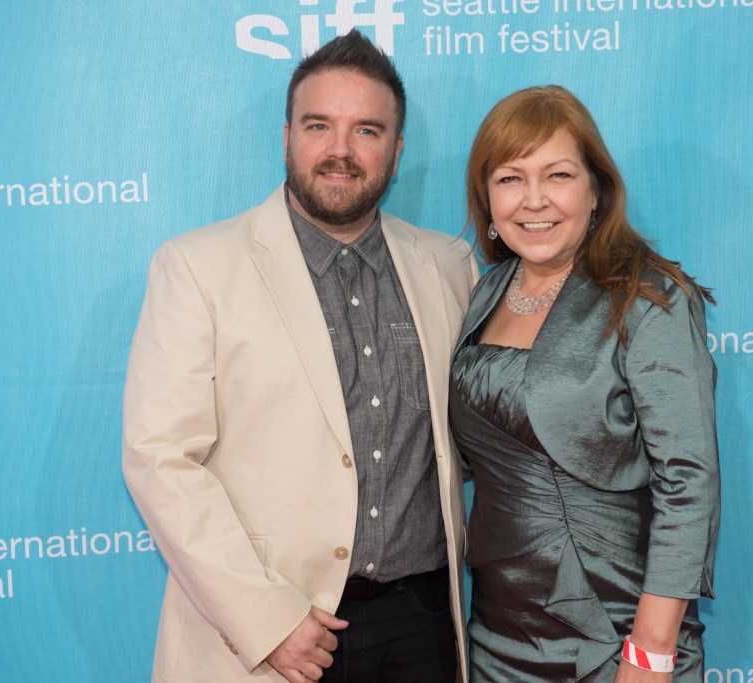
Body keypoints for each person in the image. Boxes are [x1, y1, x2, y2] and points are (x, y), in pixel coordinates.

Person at [123, 30, 477, 683]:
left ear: (397, 154)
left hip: (424, 624)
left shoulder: (450, 266)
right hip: (274, 637)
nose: (340, 150)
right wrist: (268, 619)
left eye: (367, 131)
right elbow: (160, 458)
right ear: (287, 136)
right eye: (320, 126)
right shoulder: (199, 267)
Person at [450, 85, 720, 682]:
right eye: (510, 178)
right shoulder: (485, 293)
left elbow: (688, 482)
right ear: (487, 198)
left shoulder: (646, 298)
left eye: (558, 174)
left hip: (617, 629)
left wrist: (650, 649)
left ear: (596, 189)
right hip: (497, 635)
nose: (534, 200)